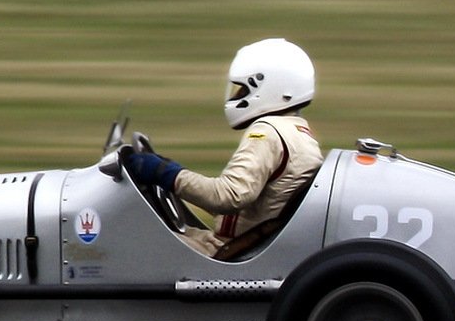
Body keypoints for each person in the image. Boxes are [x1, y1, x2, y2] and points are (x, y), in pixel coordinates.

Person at [123, 38, 325, 257]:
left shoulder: (268, 132)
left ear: (270, 86)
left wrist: (166, 174)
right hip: (245, 245)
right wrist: (171, 175)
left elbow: (229, 197)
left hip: (226, 251)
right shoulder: (298, 133)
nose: (237, 96)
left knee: (124, 241)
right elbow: (250, 206)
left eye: (243, 89)